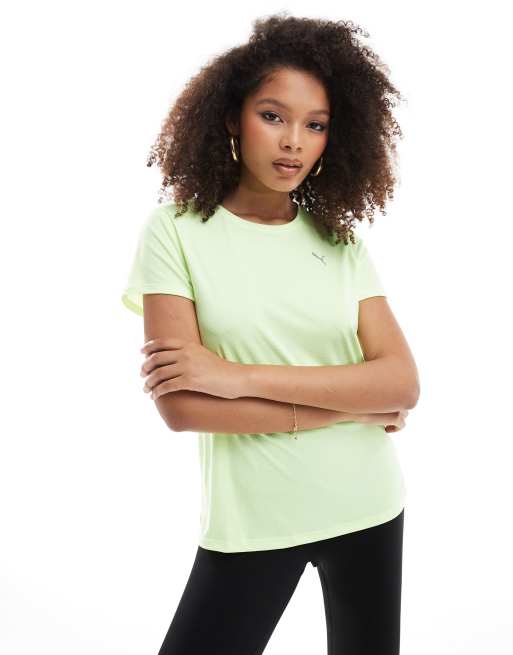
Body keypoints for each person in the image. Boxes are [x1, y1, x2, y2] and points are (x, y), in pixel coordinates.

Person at [121, 13, 420, 655]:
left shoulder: (339, 243)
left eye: (315, 125)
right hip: (255, 522)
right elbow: (182, 406)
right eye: (273, 116)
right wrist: (350, 408)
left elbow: (401, 382)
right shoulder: (175, 231)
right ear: (233, 118)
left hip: (368, 502)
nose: (293, 143)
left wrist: (236, 377)